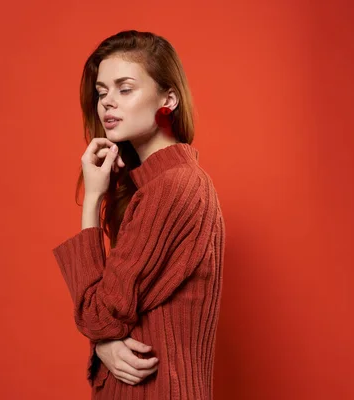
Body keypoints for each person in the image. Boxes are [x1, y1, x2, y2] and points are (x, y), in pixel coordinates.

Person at [52, 30, 225, 399]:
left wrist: (92, 201)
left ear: (169, 99)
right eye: (101, 92)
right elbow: (120, 310)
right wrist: (106, 343)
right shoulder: (154, 185)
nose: (107, 104)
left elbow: (99, 314)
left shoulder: (173, 187)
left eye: (124, 89)